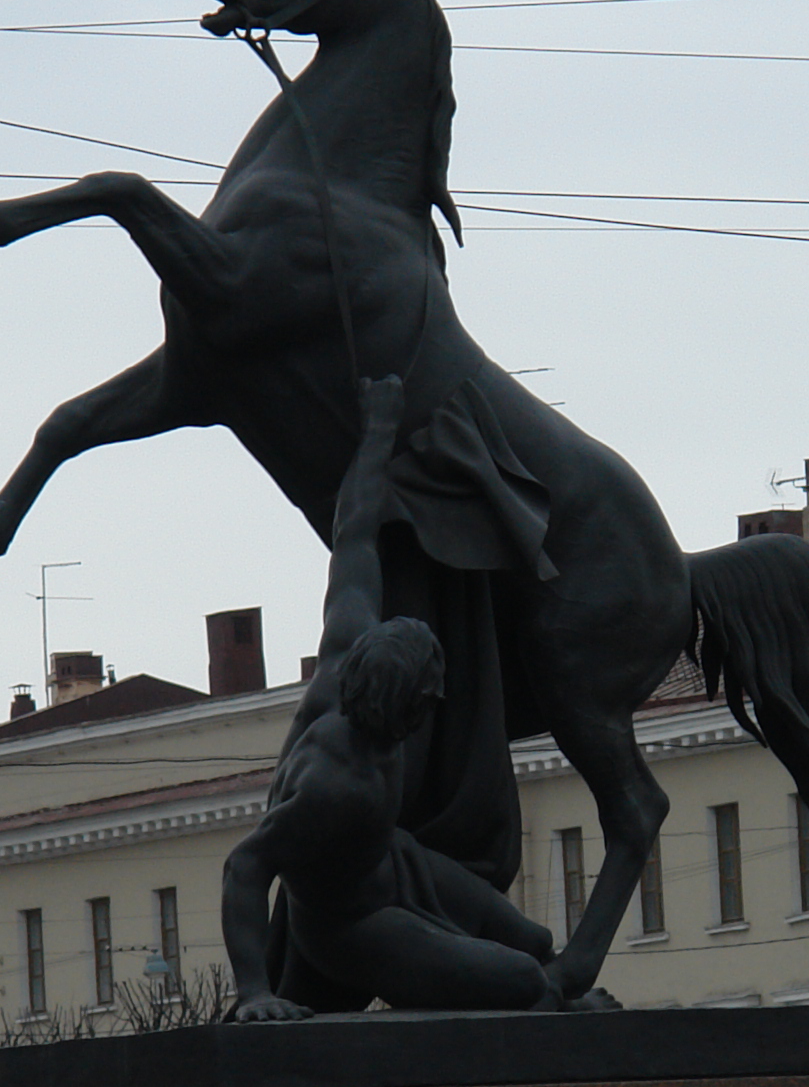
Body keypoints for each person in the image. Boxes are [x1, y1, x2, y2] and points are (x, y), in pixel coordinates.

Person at [220, 375, 568, 1018]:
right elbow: (245, 866)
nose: (437, 708)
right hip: (353, 925)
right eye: (431, 699)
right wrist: (255, 993)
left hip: (395, 861)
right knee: (524, 980)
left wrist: (379, 427)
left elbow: (354, 531)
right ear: (405, 707)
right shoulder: (334, 786)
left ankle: (544, 990)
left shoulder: (346, 647)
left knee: (536, 942)